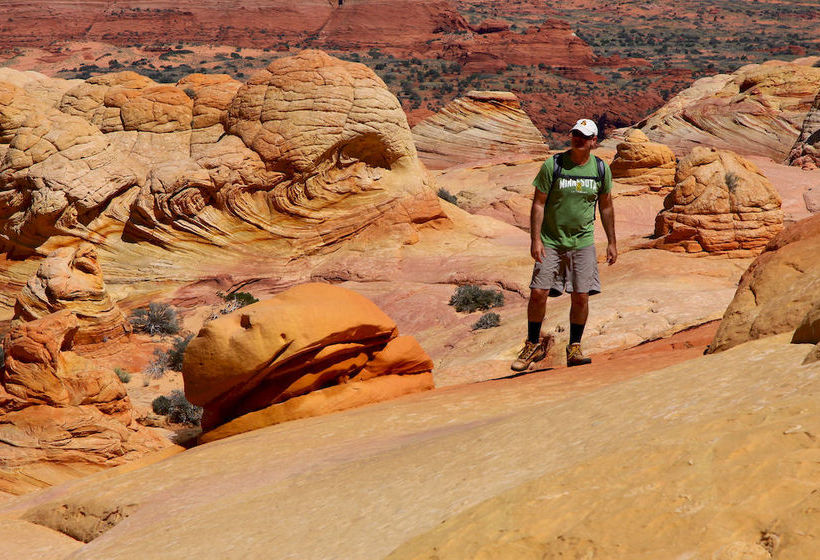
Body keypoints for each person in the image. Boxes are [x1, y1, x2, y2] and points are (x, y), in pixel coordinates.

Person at [511, 118, 617, 371]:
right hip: (551, 240)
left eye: (583, 135)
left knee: (581, 296)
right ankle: (532, 344)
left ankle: (575, 348)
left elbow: (606, 205)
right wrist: (535, 239)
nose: (577, 139)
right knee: (538, 292)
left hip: (582, 241)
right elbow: (538, 203)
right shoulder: (554, 164)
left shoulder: (601, 169)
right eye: (574, 134)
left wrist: (612, 242)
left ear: (593, 141)